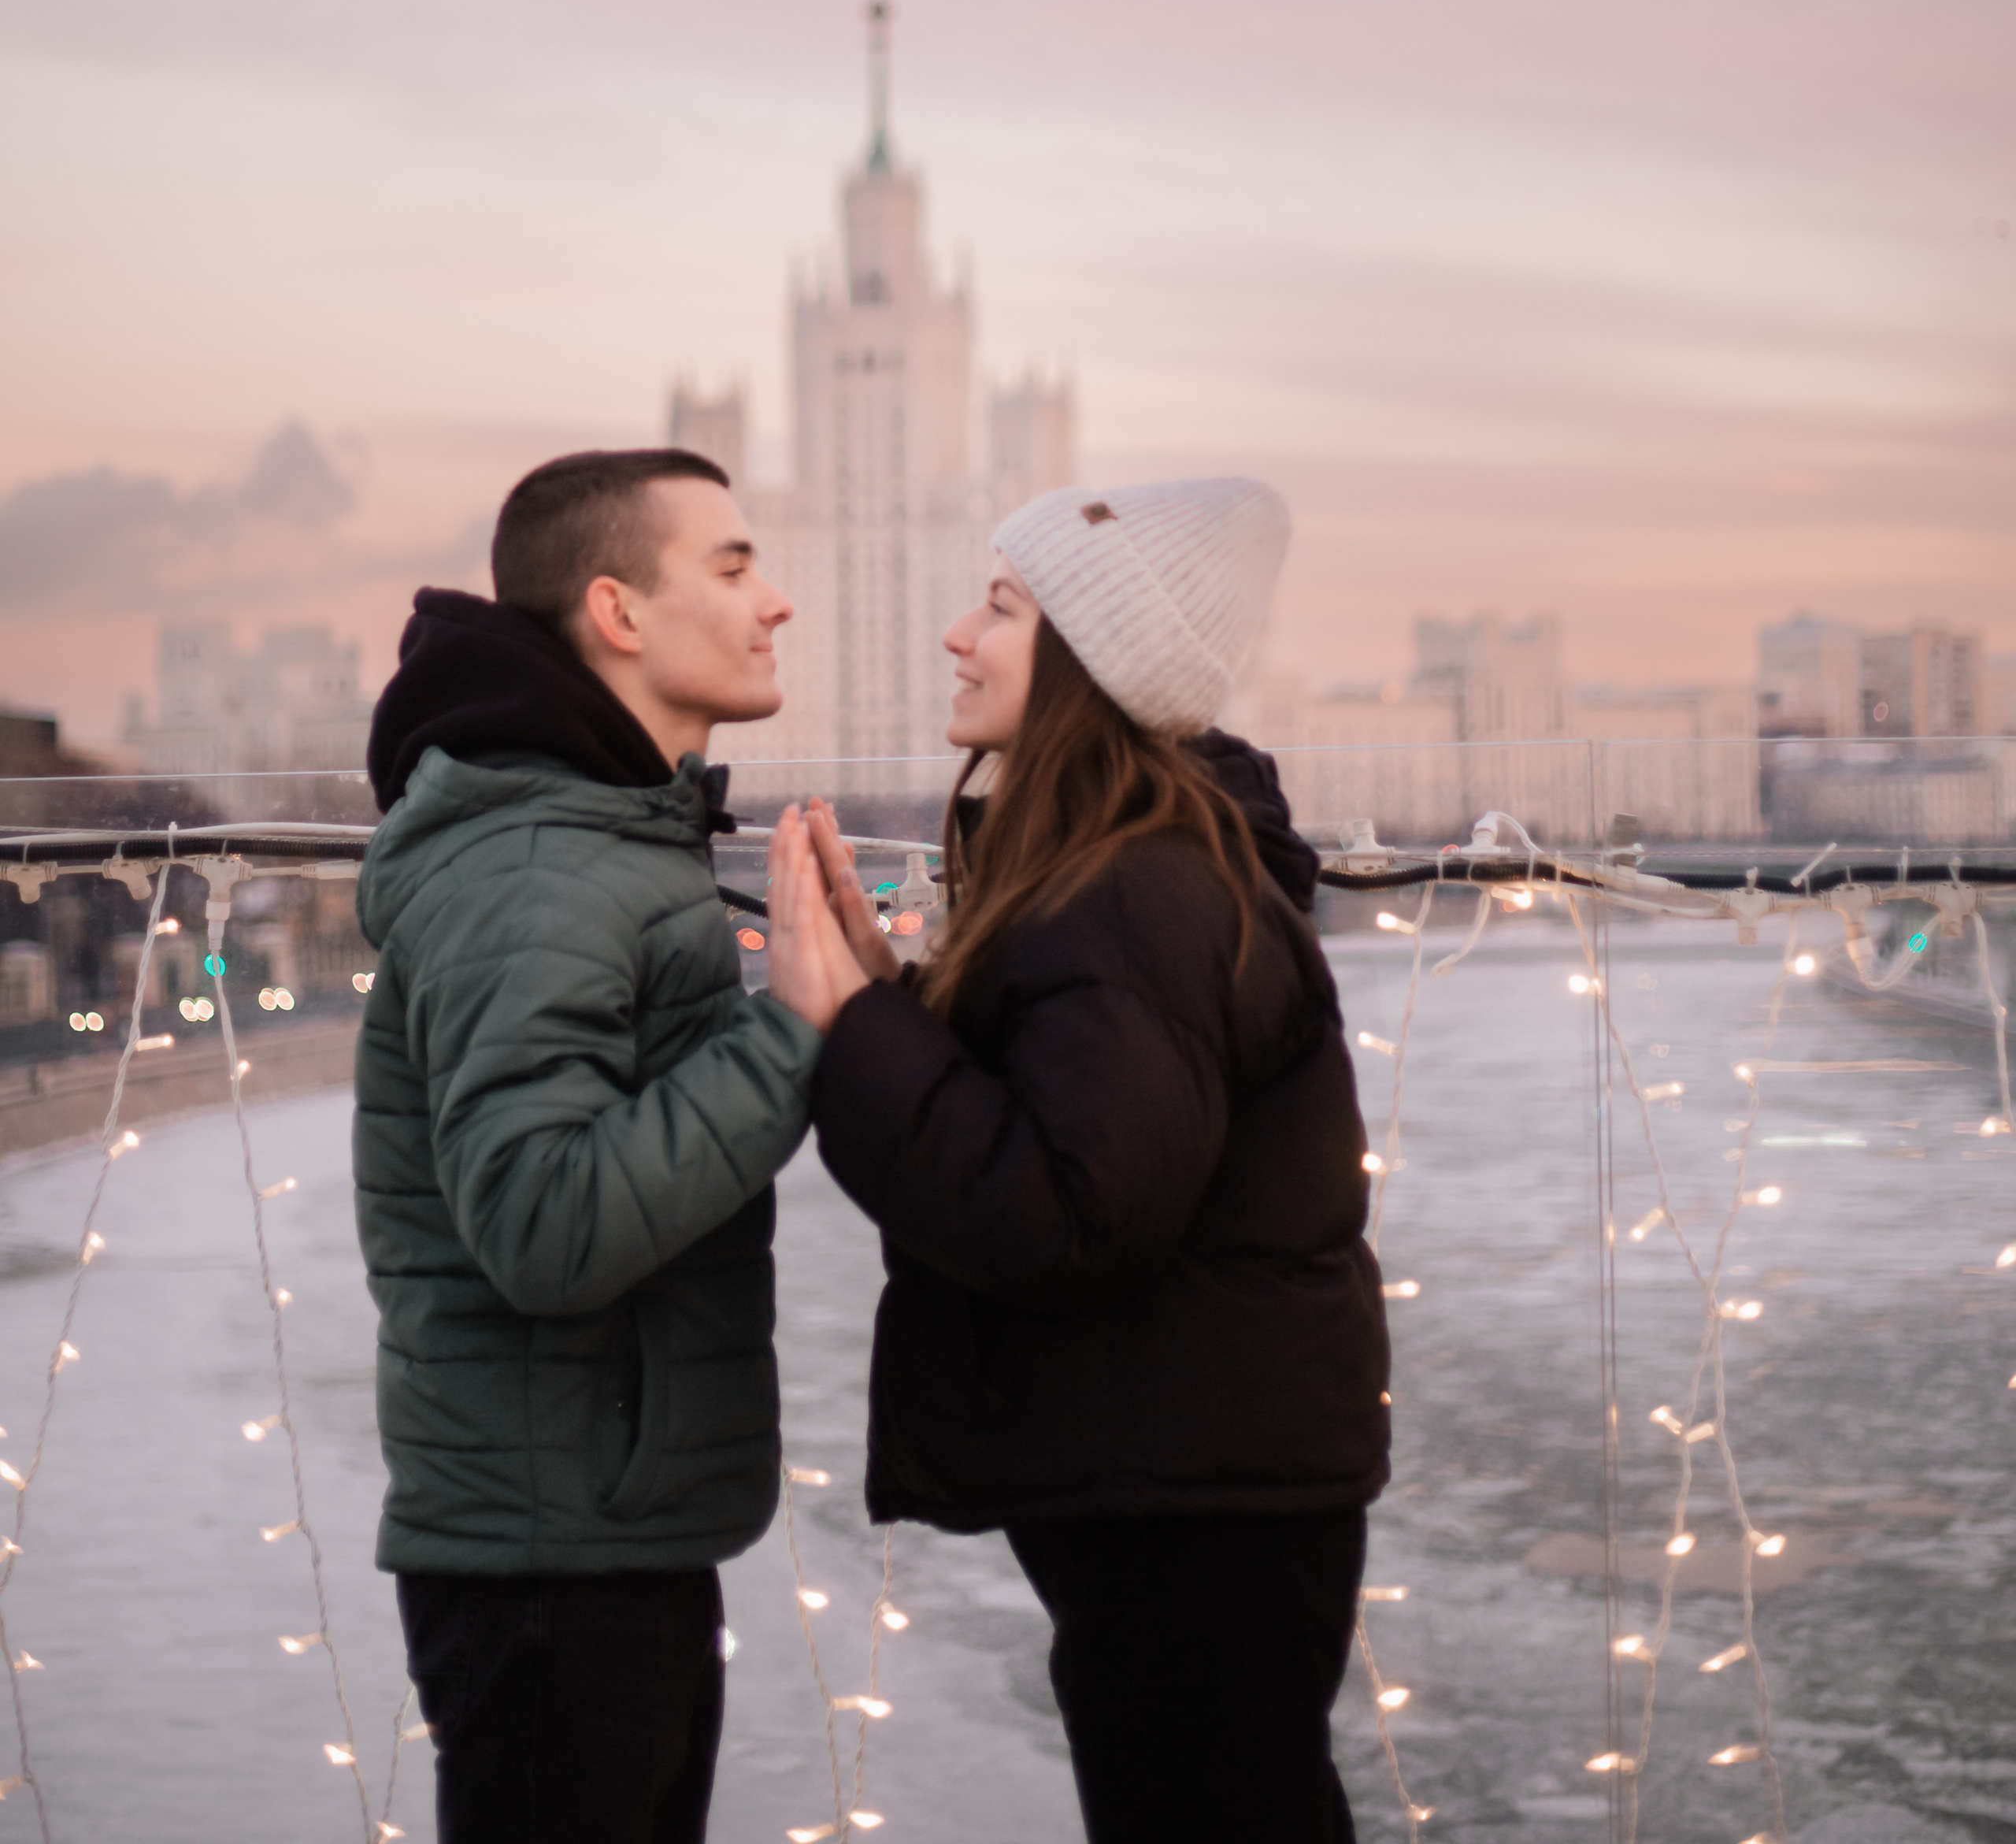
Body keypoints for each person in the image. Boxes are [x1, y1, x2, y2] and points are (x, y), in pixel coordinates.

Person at [766, 477, 1389, 1844]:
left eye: (1000, 607)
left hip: (1191, 1493)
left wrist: (853, 1028)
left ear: (1091, 663)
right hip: (1201, 1474)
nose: (955, 635)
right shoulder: (1133, 870)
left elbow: (1072, 1217)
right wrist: (901, 1001)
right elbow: (1093, 1120)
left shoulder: (1134, 890)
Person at [354, 447, 827, 1844]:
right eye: (734, 568)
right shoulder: (544, 864)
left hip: (591, 1537)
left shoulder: (605, 835)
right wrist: (789, 1034)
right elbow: (545, 1223)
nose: (777, 602)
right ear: (618, 614)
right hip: (549, 1571)